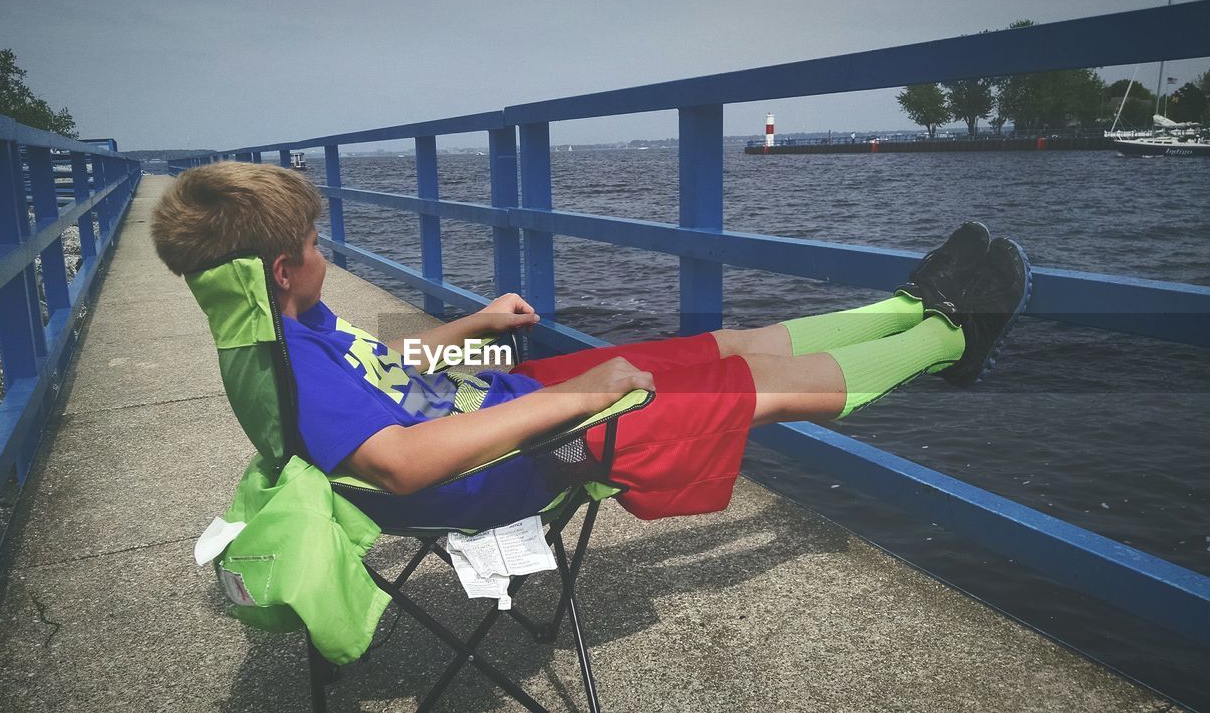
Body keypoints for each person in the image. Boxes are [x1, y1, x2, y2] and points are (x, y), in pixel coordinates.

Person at [151, 162, 1030, 526]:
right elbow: (403, 465)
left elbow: (393, 364)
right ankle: (949, 335)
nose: (323, 253)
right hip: (523, 456)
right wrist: (575, 397)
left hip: (494, 401)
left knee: (707, 348)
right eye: (309, 245)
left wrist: (474, 325)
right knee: (740, 390)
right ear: (277, 268)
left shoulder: (279, 325)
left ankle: (903, 306)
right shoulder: (295, 366)